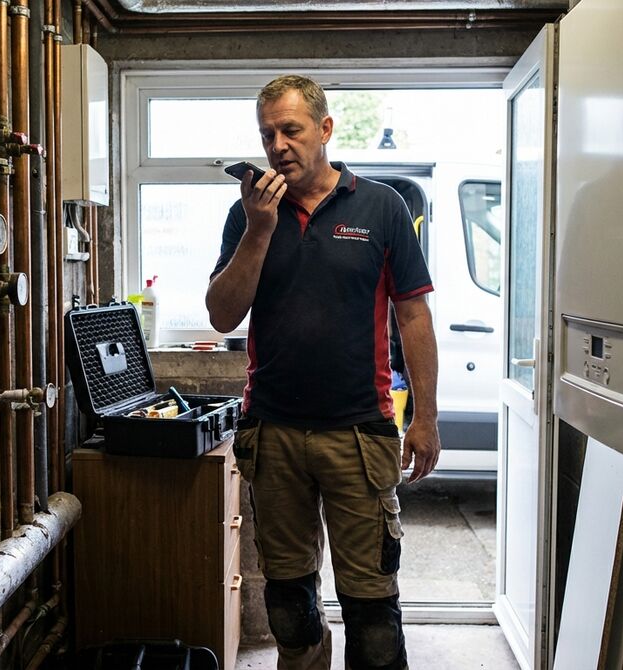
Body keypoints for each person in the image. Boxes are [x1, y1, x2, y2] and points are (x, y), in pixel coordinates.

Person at [206, 74, 440, 670]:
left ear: (326, 129)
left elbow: (413, 315)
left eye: (291, 129)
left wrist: (427, 420)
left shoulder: (381, 206)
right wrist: (259, 227)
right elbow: (224, 315)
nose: (278, 145)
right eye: (268, 134)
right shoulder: (248, 213)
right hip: (274, 433)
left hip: (359, 433)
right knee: (289, 603)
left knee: (373, 613)